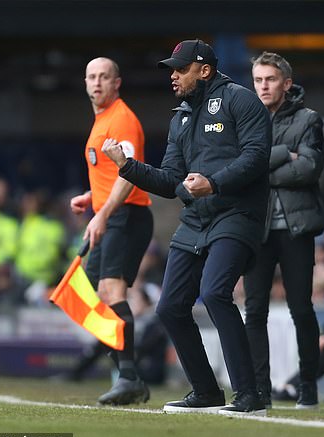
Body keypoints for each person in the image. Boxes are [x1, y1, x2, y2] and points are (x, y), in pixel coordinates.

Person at [103, 39, 271, 416]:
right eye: (172, 71)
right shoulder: (180, 117)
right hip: (196, 219)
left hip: (237, 214)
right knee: (170, 307)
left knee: (214, 294)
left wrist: (214, 182)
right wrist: (127, 167)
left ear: (205, 70)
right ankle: (206, 392)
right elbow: (170, 179)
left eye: (180, 69)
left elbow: (257, 157)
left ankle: (250, 395)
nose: (173, 77)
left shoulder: (239, 100)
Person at [244, 51, 324, 410]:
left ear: (286, 83)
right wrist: (285, 154)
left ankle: (308, 384)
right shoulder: (245, 119)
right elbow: (242, 171)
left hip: (296, 229)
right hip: (256, 230)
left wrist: (262, 165)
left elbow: (310, 169)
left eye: (271, 79)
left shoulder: (309, 119)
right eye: (259, 80)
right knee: (255, 310)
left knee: (301, 309)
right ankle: (259, 390)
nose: (264, 86)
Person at [69, 57, 153, 405]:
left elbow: (128, 173)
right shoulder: (101, 120)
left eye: (105, 76)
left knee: (110, 289)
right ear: (86, 82)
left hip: (127, 215)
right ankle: (127, 372)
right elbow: (108, 172)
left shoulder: (121, 119)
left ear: (117, 83)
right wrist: (93, 197)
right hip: (111, 212)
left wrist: (102, 212)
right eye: (92, 76)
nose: (97, 82)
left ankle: (128, 376)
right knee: (92, 293)